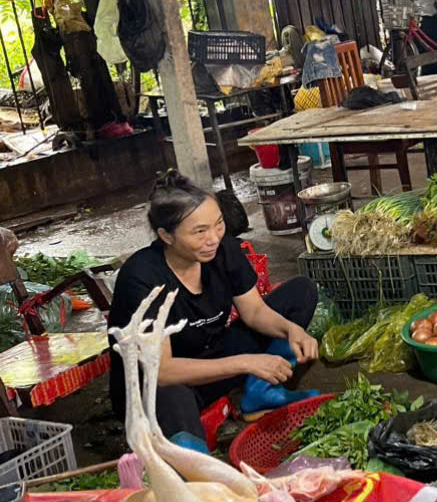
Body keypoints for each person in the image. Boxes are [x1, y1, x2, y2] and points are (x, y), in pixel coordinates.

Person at [109, 171, 321, 453]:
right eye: (199, 232)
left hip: (211, 358)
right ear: (166, 235)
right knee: (171, 399)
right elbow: (163, 370)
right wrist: (246, 362)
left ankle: (260, 394)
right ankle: (193, 466)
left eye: (218, 224)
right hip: (161, 381)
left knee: (300, 292)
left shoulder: (222, 250)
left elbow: (254, 311)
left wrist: (290, 329)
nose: (213, 238)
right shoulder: (142, 278)